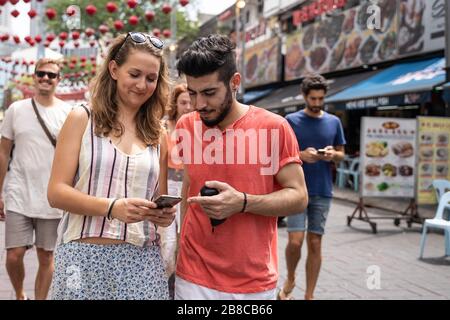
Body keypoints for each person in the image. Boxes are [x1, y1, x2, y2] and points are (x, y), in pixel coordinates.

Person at [173, 34, 308, 300]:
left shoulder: (273, 127)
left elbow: (299, 196)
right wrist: (178, 243)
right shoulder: (186, 126)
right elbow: (189, 185)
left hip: (253, 282)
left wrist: (243, 202)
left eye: (209, 93)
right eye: (192, 93)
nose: (199, 104)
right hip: (192, 275)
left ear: (234, 82)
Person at [47, 32, 175, 300]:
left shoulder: (158, 134)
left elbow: (156, 199)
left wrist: (162, 215)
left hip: (143, 260)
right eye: (135, 74)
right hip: (83, 256)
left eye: (151, 78)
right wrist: (111, 207)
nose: (142, 85)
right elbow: (56, 192)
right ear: (114, 69)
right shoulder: (81, 118)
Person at [0, 58, 72, 300]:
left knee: (45, 255)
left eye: (51, 75)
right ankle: (20, 294)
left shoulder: (68, 113)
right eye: (41, 73)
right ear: (34, 77)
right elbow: (3, 152)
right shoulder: (15, 110)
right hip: (19, 192)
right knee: (13, 254)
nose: (45, 78)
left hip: (52, 196)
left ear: (58, 80)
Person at [280, 73, 346, 300]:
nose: (317, 103)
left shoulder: (334, 122)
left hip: (322, 190)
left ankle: (309, 295)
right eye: (313, 98)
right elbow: (280, 154)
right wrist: (301, 155)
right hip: (295, 189)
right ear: (304, 96)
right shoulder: (291, 120)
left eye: (321, 99)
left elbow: (341, 154)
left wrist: (332, 155)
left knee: (316, 243)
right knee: (295, 241)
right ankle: (290, 277)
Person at [158, 83, 192, 299]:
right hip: (169, 186)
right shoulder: (165, 126)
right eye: (183, 102)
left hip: (189, 187)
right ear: (175, 103)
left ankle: (178, 290)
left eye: (190, 102)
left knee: (185, 241)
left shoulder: (199, 126)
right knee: (168, 243)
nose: (187, 106)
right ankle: (161, 285)